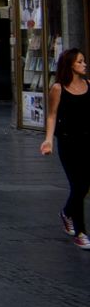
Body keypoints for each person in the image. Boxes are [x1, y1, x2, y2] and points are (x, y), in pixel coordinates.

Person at [41, 49, 90, 249]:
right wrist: (48, 140)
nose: (85, 64)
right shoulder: (58, 88)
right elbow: (52, 115)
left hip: (88, 141)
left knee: (85, 187)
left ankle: (66, 213)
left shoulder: (89, 85)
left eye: (84, 61)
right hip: (68, 143)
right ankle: (81, 232)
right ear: (70, 65)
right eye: (80, 61)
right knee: (78, 186)